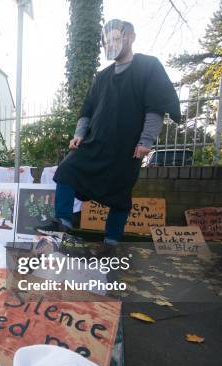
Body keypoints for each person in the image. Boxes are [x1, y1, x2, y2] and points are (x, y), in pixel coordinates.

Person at [37, 20, 181, 255]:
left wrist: (146, 141)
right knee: (67, 170)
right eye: (107, 42)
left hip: (127, 148)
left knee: (120, 196)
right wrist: (79, 135)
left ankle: (110, 243)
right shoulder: (101, 77)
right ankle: (63, 221)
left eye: (115, 39)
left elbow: (156, 106)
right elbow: (87, 110)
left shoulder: (148, 66)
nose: (111, 45)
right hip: (96, 144)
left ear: (130, 37)